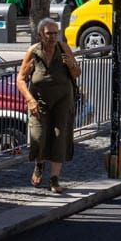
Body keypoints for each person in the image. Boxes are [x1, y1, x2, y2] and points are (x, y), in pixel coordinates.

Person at [17, 17, 82, 194]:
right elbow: (21, 79)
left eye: (55, 33)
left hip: (63, 99)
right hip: (39, 101)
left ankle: (54, 179)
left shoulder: (63, 48)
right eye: (49, 33)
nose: (53, 37)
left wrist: (70, 64)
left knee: (60, 136)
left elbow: (76, 73)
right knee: (38, 136)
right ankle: (39, 164)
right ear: (40, 35)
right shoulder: (33, 52)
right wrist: (30, 99)